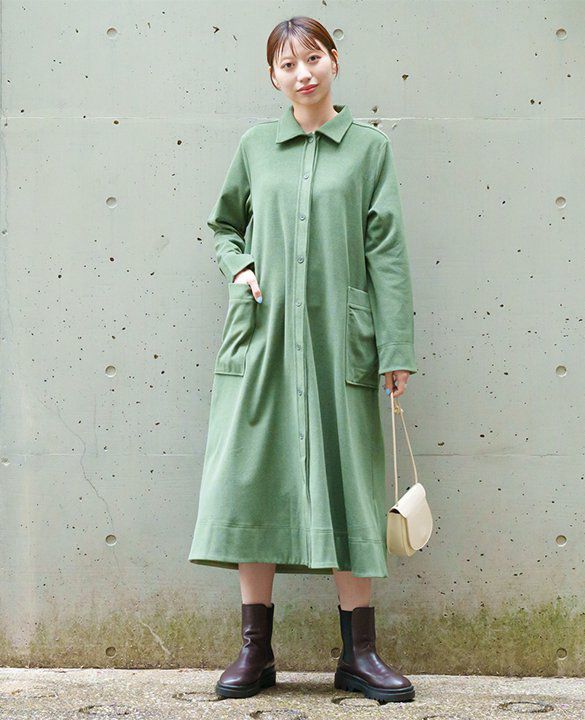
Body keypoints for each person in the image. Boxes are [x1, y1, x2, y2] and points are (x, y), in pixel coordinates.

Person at [188, 16, 418, 704]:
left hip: (341, 341)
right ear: (273, 77)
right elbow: (223, 225)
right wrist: (238, 268)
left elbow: (387, 251)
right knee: (253, 477)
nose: (303, 74)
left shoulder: (369, 149)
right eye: (287, 65)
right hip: (261, 337)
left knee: (351, 482)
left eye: (312, 58)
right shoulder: (255, 147)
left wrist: (395, 348)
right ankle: (255, 651)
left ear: (333, 61)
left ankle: (360, 654)